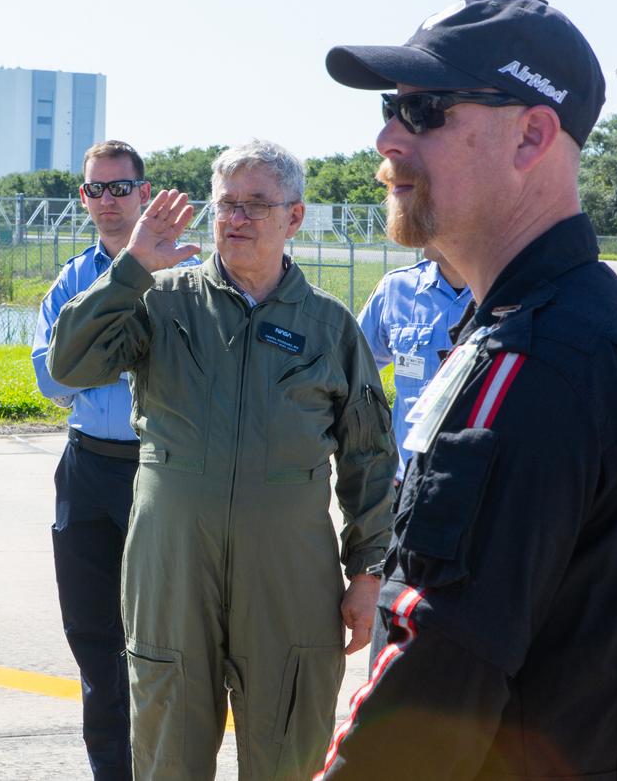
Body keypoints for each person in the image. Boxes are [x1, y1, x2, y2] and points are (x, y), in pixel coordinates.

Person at [318, 0, 617, 779]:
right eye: (390, 107)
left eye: (424, 109)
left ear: (531, 135)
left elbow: (429, 697)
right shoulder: (579, 317)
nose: (387, 138)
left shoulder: (533, 357)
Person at [48, 139, 397, 780]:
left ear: (294, 217)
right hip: (172, 563)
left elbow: (370, 459)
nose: (235, 217)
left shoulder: (328, 326)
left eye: (256, 205)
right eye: (226, 203)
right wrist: (130, 269)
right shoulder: (159, 299)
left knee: (289, 747)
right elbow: (70, 363)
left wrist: (370, 572)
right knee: (166, 746)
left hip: (289, 572)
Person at [32, 140, 197, 779]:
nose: (107, 201)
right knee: (95, 640)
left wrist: (90, 358)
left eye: (119, 188)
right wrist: (110, 360)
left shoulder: (185, 274)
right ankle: (111, 769)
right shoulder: (72, 281)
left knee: (167, 639)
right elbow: (51, 382)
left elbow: (183, 375)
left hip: (162, 469)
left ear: (145, 193)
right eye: (95, 190)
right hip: (87, 468)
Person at [357, 244, 471, 482]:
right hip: (406, 481)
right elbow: (347, 371)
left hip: (478, 485)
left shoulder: (510, 295)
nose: (421, 224)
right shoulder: (398, 290)